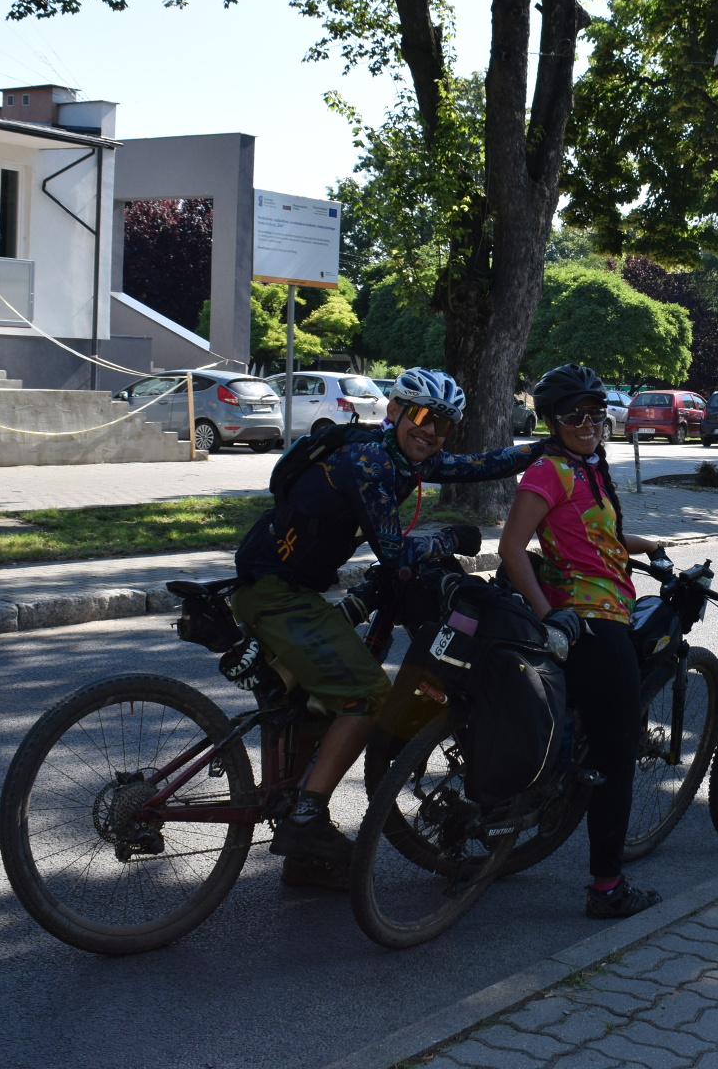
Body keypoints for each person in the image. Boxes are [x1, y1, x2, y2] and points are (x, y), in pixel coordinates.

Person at [220, 367, 543, 888]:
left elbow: (478, 465)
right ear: (392, 411)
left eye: (444, 424)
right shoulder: (367, 461)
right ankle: (304, 821)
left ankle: (306, 852)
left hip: (287, 589)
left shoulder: (393, 453)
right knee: (368, 696)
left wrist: (545, 450)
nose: (431, 431)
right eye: (420, 416)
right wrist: (449, 539)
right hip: (277, 594)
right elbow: (394, 552)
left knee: (319, 703)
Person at [499, 364, 670, 920]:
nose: (589, 424)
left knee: (595, 732)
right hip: (589, 621)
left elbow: (599, 534)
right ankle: (607, 888)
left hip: (604, 609)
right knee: (619, 755)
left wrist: (649, 546)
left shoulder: (586, 467)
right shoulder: (549, 471)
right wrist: (550, 615)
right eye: (576, 416)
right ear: (553, 420)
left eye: (597, 415)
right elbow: (511, 548)